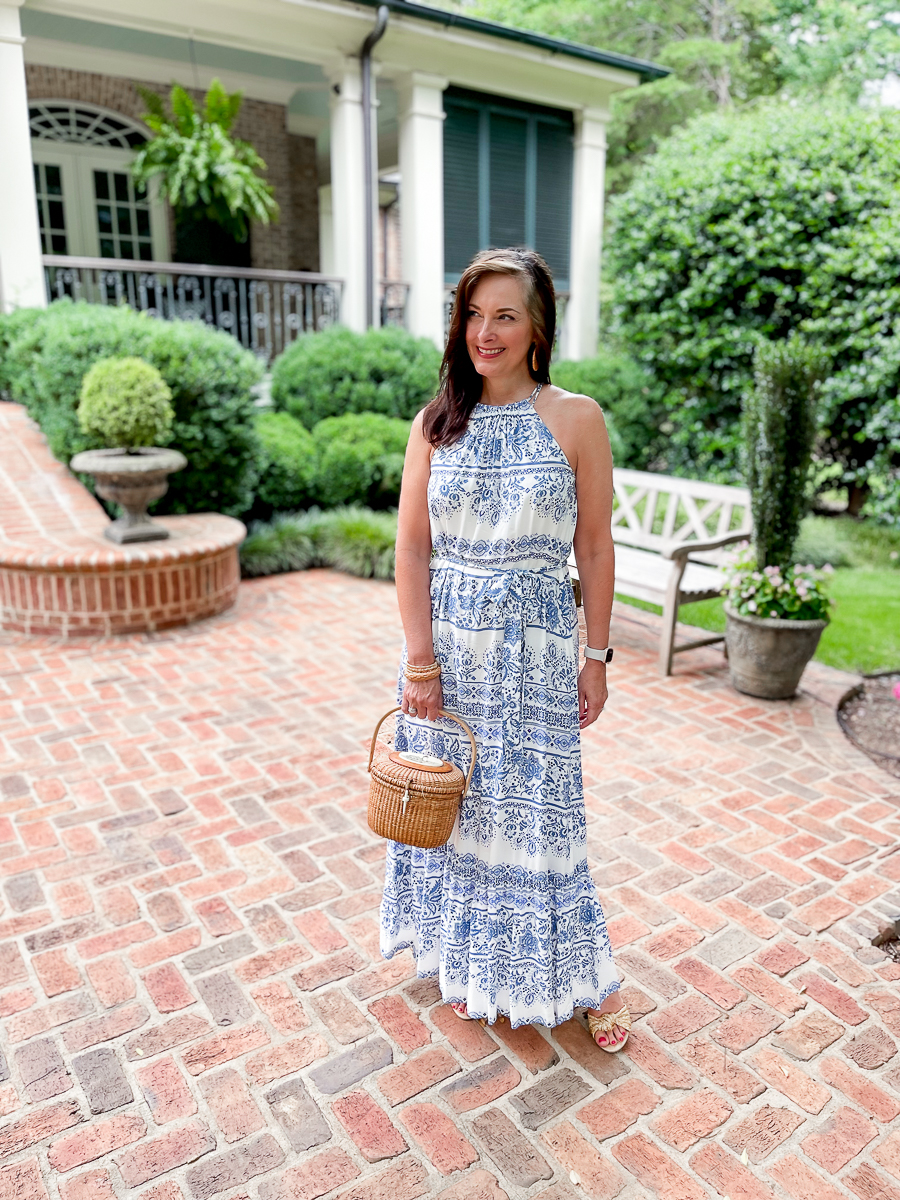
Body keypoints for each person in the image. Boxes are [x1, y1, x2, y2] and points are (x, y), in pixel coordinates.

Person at [379, 247, 629, 1049]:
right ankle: (469, 962)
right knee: (459, 810)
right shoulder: (435, 422)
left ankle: (574, 974)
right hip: (448, 648)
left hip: (537, 651)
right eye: (472, 314)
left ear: (537, 327)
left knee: (541, 813)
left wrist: (597, 656)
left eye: (505, 315)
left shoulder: (578, 418)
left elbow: (594, 547)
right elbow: (410, 550)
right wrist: (420, 662)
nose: (485, 332)